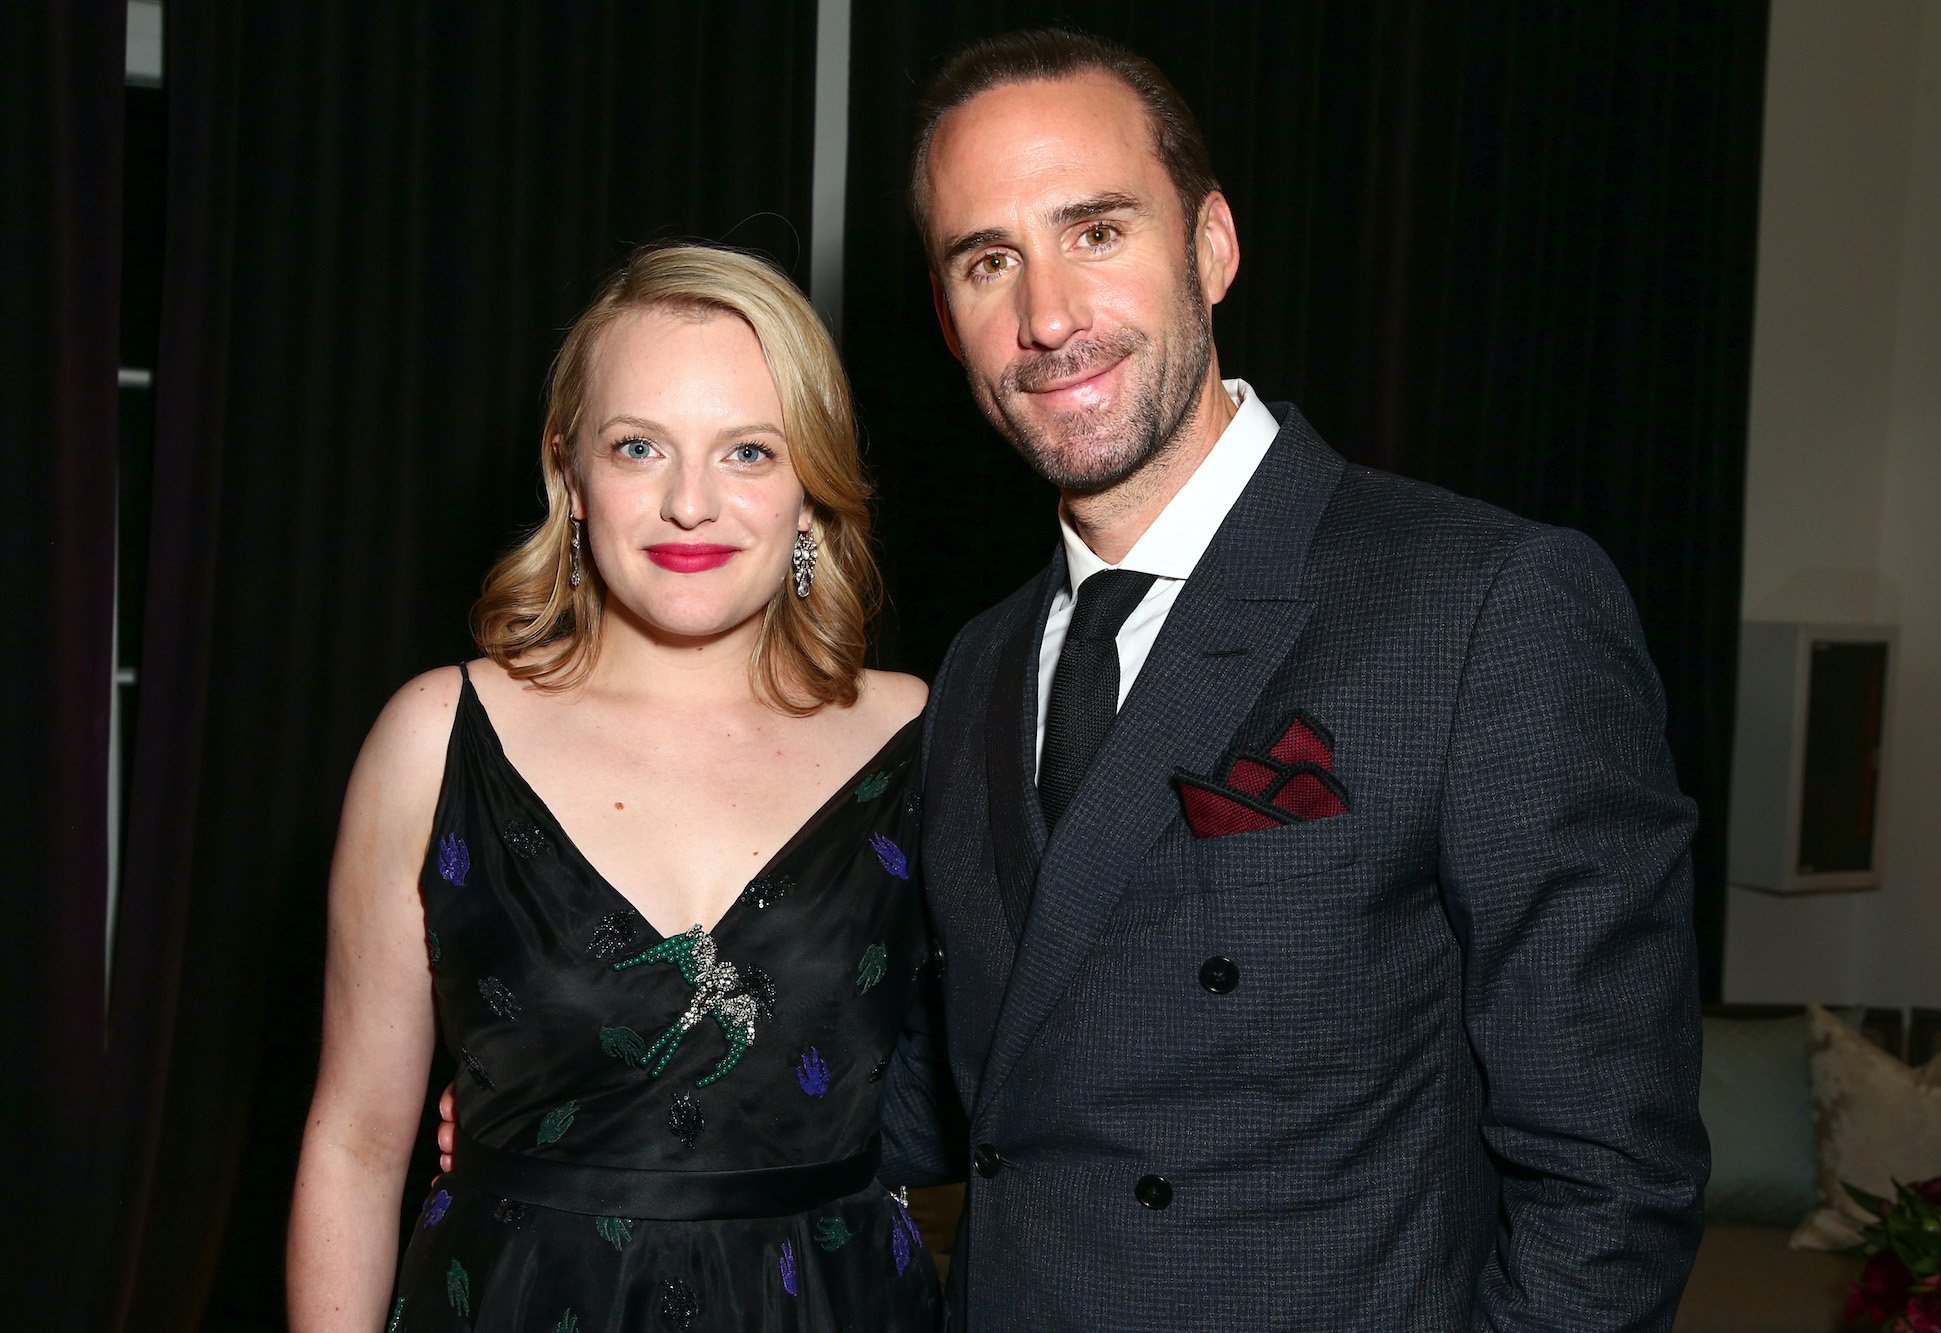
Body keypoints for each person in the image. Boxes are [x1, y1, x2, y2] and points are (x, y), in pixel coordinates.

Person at [868, 28, 1710, 1330]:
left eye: (1096, 232)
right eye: (990, 261)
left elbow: (1612, 1178)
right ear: (946, 314)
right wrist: (595, 1087)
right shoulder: (976, 664)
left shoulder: (1487, 603)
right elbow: (952, 1080)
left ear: (1211, 244)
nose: (1046, 317)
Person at [287, 245, 938, 1331]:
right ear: (569, 475)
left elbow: (1020, 1069)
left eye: (748, 451)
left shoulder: (922, 734)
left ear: (810, 488)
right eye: (639, 446)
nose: (691, 502)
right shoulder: (435, 739)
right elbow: (354, 1142)